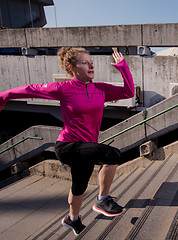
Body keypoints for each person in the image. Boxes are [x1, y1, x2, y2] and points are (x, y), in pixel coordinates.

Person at [0, 47, 135, 236]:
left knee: (79, 187)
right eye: (85, 62)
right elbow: (31, 89)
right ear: (73, 68)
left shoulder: (101, 89)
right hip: (68, 146)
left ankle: (72, 218)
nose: (91, 65)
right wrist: (4, 96)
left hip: (86, 147)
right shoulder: (64, 89)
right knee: (111, 154)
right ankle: (102, 199)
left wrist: (123, 67)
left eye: (91, 62)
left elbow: (128, 92)